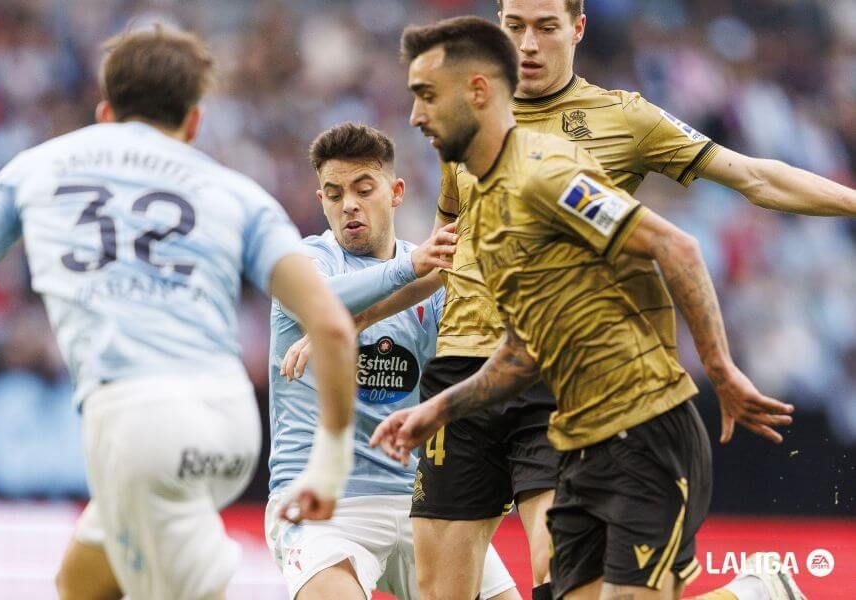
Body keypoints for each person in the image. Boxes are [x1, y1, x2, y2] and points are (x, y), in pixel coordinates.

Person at [282, 2, 854, 598]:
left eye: (546, 28)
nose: (527, 44)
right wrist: (355, 321)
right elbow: (446, 256)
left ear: (577, 29)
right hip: (461, 376)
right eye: (514, 27)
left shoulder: (622, 120)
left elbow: (752, 177)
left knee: (558, 575)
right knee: (440, 590)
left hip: (555, 375)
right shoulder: (463, 130)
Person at [0, 26, 359, 600]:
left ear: (103, 111)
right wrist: (331, 462)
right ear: (194, 122)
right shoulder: (238, 193)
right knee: (83, 581)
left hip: (137, 425)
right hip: (230, 426)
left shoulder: (36, 168)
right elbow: (332, 326)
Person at [265, 122, 519, 600]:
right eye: (334, 194)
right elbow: (324, 300)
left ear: (396, 191)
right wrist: (413, 268)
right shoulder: (308, 262)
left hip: (419, 498)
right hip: (322, 503)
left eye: (364, 189)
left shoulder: (433, 278)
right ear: (321, 200)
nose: (349, 205)